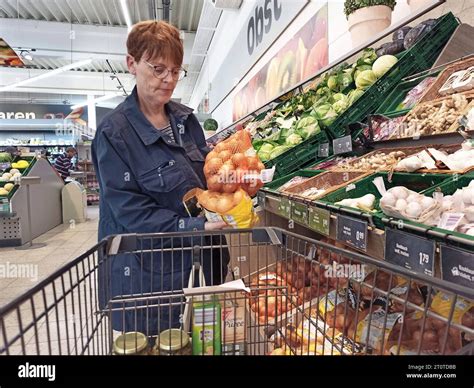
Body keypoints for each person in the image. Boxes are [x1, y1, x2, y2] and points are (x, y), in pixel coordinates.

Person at [92, 20, 229, 335]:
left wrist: (232, 183)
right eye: (158, 69)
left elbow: (206, 176)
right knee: (160, 341)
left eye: (176, 70)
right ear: (132, 63)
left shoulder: (185, 119)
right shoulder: (114, 133)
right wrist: (196, 225)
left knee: (203, 339)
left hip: (202, 262)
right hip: (149, 277)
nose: (169, 80)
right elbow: (130, 210)